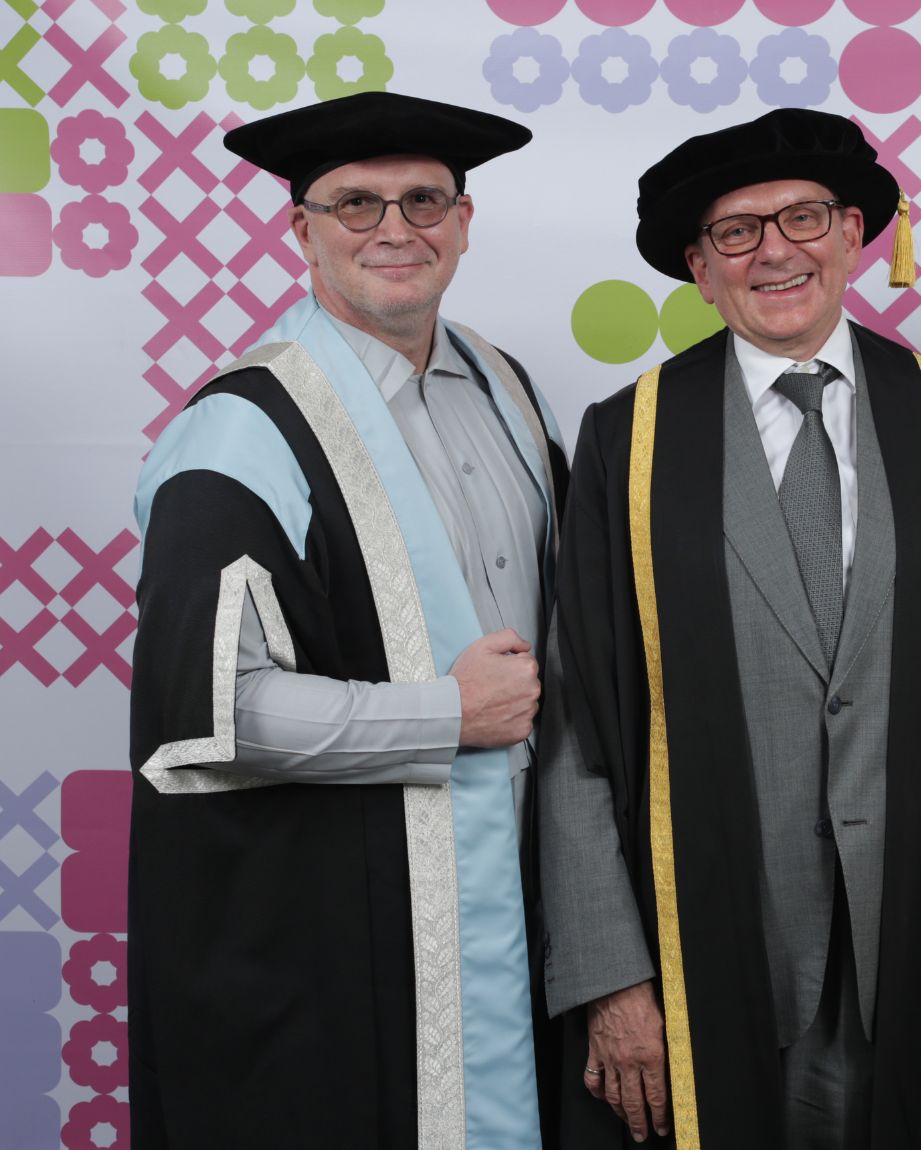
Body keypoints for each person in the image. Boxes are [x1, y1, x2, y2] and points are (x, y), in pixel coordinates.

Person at [535, 108, 921, 1149]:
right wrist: (609, 975)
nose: (775, 250)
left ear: (857, 231)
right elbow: (577, 729)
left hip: (918, 934)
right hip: (705, 943)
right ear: (698, 266)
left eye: (804, 218)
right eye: (736, 232)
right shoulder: (627, 442)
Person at [128, 91, 567, 1150]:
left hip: (517, 896)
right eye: (355, 204)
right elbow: (207, 713)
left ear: (463, 221)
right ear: (303, 229)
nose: (393, 228)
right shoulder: (240, 430)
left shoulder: (508, 390)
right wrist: (445, 716)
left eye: (423, 199)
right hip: (332, 922)